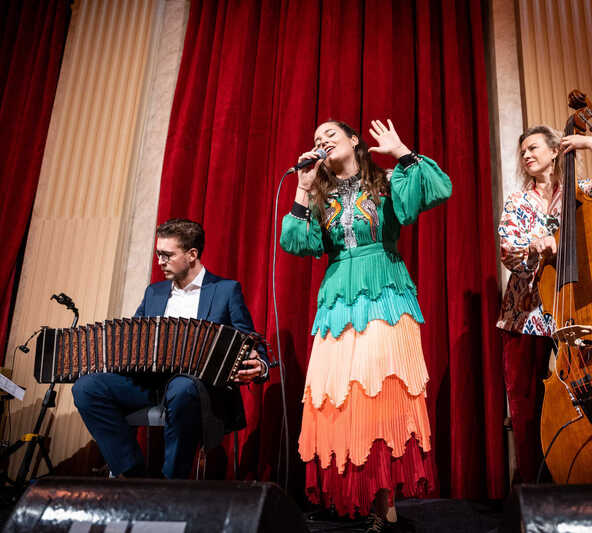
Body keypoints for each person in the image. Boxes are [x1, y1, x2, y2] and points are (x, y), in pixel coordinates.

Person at [280, 119, 450, 531]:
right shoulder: (320, 196)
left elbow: (437, 190)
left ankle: (383, 500)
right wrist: (303, 188)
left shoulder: (387, 181)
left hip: (384, 291)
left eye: (330, 136)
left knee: (379, 396)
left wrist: (402, 151)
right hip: (337, 299)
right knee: (339, 397)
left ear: (354, 141)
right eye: (316, 139)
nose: (321, 142)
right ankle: (351, 495)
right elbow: (296, 243)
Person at [72, 218, 267, 479]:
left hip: (199, 388)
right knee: (86, 387)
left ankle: (171, 483)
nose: (160, 261)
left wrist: (260, 365)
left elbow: (250, 341)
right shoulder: (154, 292)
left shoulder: (225, 290)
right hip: (151, 384)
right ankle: (132, 475)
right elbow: (134, 339)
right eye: (157, 254)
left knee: (182, 389)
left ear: (192, 255)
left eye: (167, 255)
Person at [496, 125, 592, 482]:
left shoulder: (580, 191)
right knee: (528, 403)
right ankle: (533, 482)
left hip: (577, 304)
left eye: (534, 148)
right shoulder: (517, 201)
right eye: (522, 151)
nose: (526, 155)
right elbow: (508, 253)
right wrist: (538, 245)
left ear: (555, 151)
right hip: (527, 312)